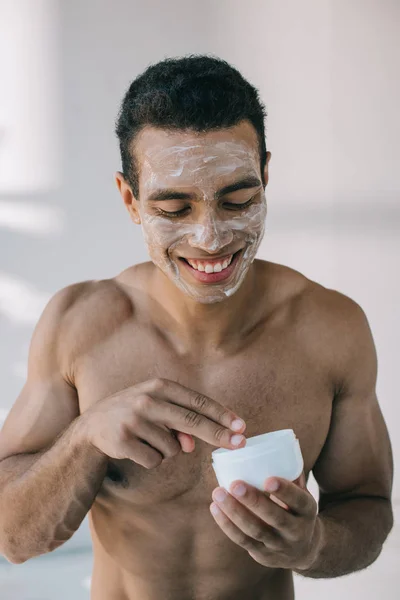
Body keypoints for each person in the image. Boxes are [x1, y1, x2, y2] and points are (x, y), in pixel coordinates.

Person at [0, 55, 394, 600]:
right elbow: (14, 539)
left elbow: (369, 508)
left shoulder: (330, 329)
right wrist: (86, 437)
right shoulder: (79, 325)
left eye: (237, 200)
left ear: (266, 177)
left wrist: (315, 544)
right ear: (129, 199)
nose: (210, 238)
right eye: (174, 207)